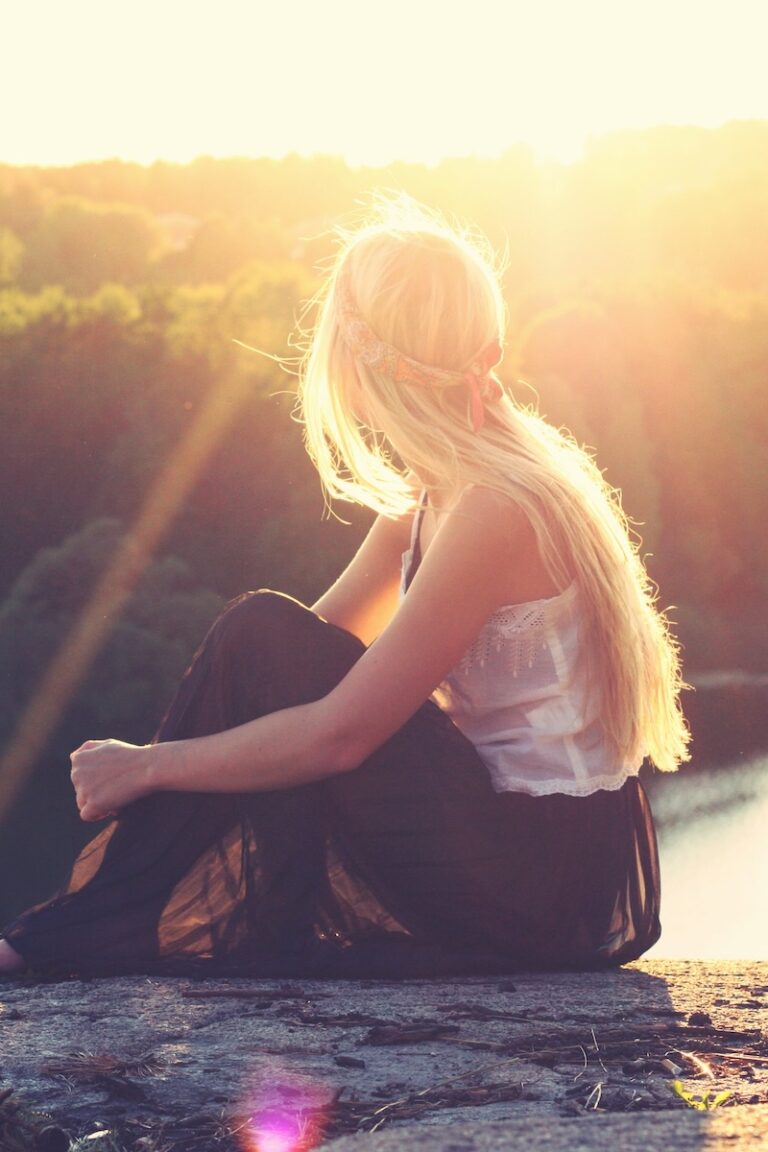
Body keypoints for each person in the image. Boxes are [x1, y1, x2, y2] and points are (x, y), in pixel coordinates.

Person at [0, 197, 689, 978]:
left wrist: (150, 767)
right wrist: (175, 756)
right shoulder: (438, 491)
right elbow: (286, 667)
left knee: (262, 641)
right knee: (259, 630)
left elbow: (341, 733)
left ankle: (65, 938)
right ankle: (85, 930)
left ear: (358, 360)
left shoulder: (497, 509)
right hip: (515, 851)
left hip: (544, 882)